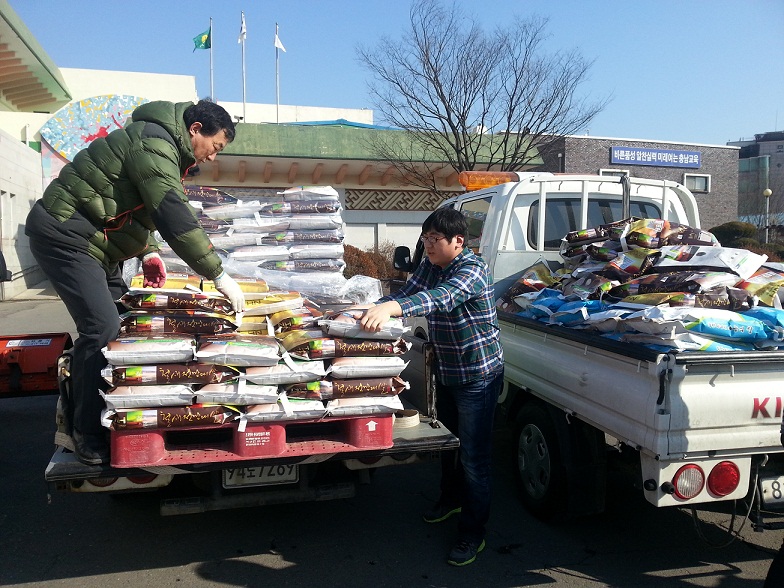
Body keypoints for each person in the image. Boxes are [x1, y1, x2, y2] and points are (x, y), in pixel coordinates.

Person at [25, 99, 246, 466]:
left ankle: (111, 410)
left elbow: (138, 207)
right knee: (101, 327)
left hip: (99, 241)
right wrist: (218, 274)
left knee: (125, 325)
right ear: (195, 130)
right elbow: (170, 211)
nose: (212, 157)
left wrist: (149, 253)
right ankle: (86, 433)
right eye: (215, 146)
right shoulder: (155, 143)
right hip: (66, 234)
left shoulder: (162, 146)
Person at [357, 207, 504, 566]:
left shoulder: (473, 269)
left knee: (474, 459)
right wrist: (362, 308)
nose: (428, 246)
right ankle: (451, 501)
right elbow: (412, 290)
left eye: (435, 240)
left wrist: (393, 308)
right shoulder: (432, 264)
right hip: (448, 372)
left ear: (459, 240)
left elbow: (440, 298)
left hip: (477, 376)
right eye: (425, 239)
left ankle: (473, 533)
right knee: (451, 447)